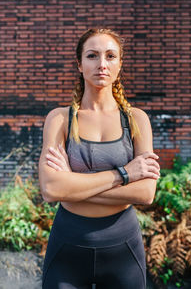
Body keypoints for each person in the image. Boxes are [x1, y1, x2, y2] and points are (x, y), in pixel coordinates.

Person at [39, 28, 160, 289]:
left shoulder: (136, 120)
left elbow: (146, 193)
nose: (101, 64)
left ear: (120, 64)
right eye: (92, 56)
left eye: (110, 56)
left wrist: (73, 186)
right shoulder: (60, 119)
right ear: (80, 65)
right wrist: (124, 174)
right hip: (67, 247)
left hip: (123, 248)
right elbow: (50, 189)